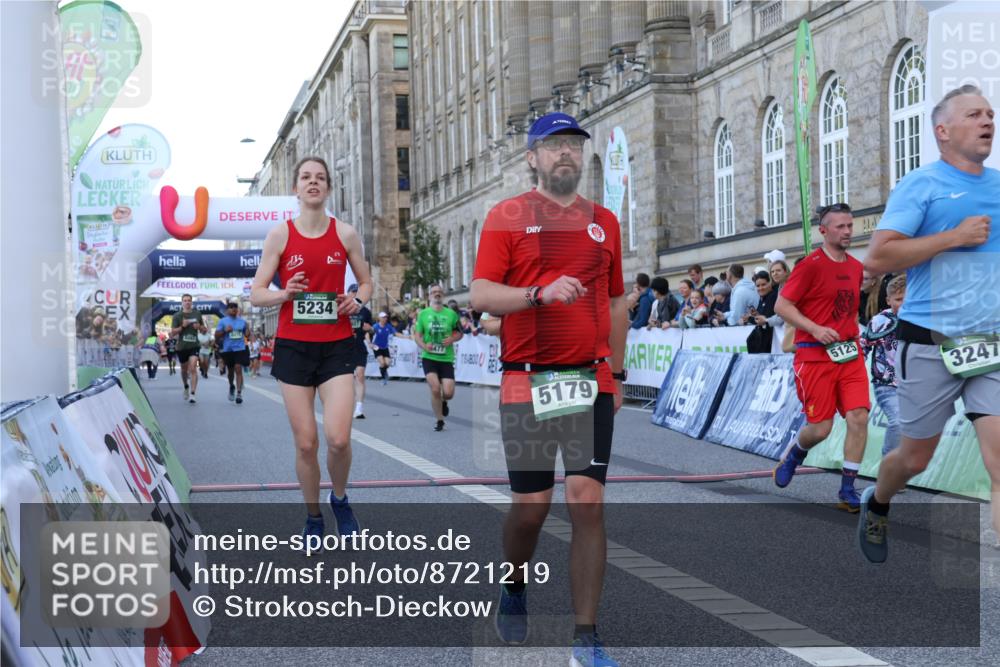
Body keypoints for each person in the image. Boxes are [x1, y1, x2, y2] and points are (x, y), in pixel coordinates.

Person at [470, 111, 627, 667]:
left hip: (590, 379)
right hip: (527, 379)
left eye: (574, 146)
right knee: (531, 510)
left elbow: (613, 302)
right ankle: (513, 583)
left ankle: (585, 634)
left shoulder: (604, 220)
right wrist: (537, 294)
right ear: (532, 158)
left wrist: (620, 372)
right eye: (554, 146)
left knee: (587, 502)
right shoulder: (506, 216)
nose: (566, 154)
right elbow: (482, 295)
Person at [859, 85, 1000, 563]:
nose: (987, 121)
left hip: (989, 345)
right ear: (943, 131)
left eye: (990, 114)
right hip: (928, 342)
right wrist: (953, 237)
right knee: (913, 459)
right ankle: (878, 502)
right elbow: (877, 257)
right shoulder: (922, 185)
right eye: (974, 114)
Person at [249, 156, 372, 547]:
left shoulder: (346, 233)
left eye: (320, 178)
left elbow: (366, 283)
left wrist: (357, 299)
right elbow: (256, 294)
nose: (313, 183)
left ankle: (340, 499)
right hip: (294, 347)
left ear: (329, 188)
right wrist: (286, 293)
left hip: (336, 346)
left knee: (337, 439)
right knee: (306, 443)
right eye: (306, 177)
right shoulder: (280, 236)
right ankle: (313, 517)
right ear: (296, 188)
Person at [773, 203, 870, 511]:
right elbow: (782, 306)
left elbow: (847, 310)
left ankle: (847, 488)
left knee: (859, 417)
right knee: (821, 428)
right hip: (814, 357)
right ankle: (795, 454)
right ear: (824, 230)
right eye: (840, 227)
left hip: (849, 354)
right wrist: (815, 328)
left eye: (850, 226)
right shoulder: (810, 265)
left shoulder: (856, 267)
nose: (847, 231)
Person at [861, 275, 906, 457]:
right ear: (888, 301)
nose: (903, 304)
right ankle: (888, 468)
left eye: (907, 298)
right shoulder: (880, 321)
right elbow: (862, 347)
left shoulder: (923, 318)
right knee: (898, 422)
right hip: (887, 385)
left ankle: (900, 473)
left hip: (916, 384)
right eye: (898, 300)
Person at [414, 284, 463, 432]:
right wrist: (424, 346)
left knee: (448, 393)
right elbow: (417, 336)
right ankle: (439, 420)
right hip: (429, 357)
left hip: (446, 358)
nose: (437, 294)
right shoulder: (423, 314)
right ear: (429, 296)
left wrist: (452, 339)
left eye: (439, 292)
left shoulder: (451, 314)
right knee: (435, 388)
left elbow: (460, 333)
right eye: (434, 292)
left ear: (443, 295)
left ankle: (443, 402)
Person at [215, 301, 252, 405]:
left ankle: (239, 393)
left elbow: (247, 335)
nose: (234, 309)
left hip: (240, 349)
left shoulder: (242, 322)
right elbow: (216, 335)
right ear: (227, 310)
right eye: (231, 307)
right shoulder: (223, 321)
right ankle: (232, 386)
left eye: (235, 307)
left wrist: (248, 328)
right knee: (230, 371)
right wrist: (225, 331)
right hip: (228, 349)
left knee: (238, 368)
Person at [170, 295, 204, 403]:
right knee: (184, 370)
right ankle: (186, 386)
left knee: (193, 367)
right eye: (185, 301)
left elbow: (204, 330)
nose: (187, 302)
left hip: (194, 345)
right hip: (182, 347)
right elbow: (172, 333)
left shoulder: (197, 314)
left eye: (189, 300)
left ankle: (193, 394)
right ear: (182, 303)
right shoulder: (177, 316)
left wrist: (200, 327)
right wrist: (183, 326)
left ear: (191, 302)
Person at [349, 285, 373, 419]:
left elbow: (371, 330)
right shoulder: (342, 308)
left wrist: (369, 328)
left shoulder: (365, 311)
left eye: (356, 292)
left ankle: (359, 407)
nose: (354, 294)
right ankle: (346, 405)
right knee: (346, 380)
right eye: (352, 292)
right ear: (348, 293)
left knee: (360, 375)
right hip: (344, 348)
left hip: (359, 347)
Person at [744, 271, 778, 353]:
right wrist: (754, 316)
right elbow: (762, 317)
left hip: (771, 343)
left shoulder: (773, 296)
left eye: (763, 284)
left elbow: (767, 319)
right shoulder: (763, 298)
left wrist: (750, 318)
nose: (760, 288)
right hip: (764, 341)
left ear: (770, 283)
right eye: (758, 286)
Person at [370, 311, 396, 385]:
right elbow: (368, 334)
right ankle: (383, 379)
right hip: (376, 347)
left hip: (385, 347)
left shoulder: (388, 326)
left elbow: (395, 333)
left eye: (386, 317)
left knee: (387, 363)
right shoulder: (375, 326)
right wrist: (369, 343)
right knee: (382, 363)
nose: (385, 319)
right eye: (383, 317)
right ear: (379, 318)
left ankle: (384, 371)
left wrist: (406, 337)